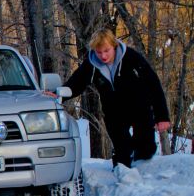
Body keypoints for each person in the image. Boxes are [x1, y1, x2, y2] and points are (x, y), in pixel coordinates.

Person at [62, 28, 170, 168]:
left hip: (140, 108)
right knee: (122, 155)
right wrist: (58, 94)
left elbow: (153, 83)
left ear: (114, 46)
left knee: (146, 150)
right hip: (114, 113)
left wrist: (162, 116)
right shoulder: (92, 64)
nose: (103, 56)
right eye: (99, 52)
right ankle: (122, 176)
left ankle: (144, 174)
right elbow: (76, 83)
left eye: (106, 51)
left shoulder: (131, 57)